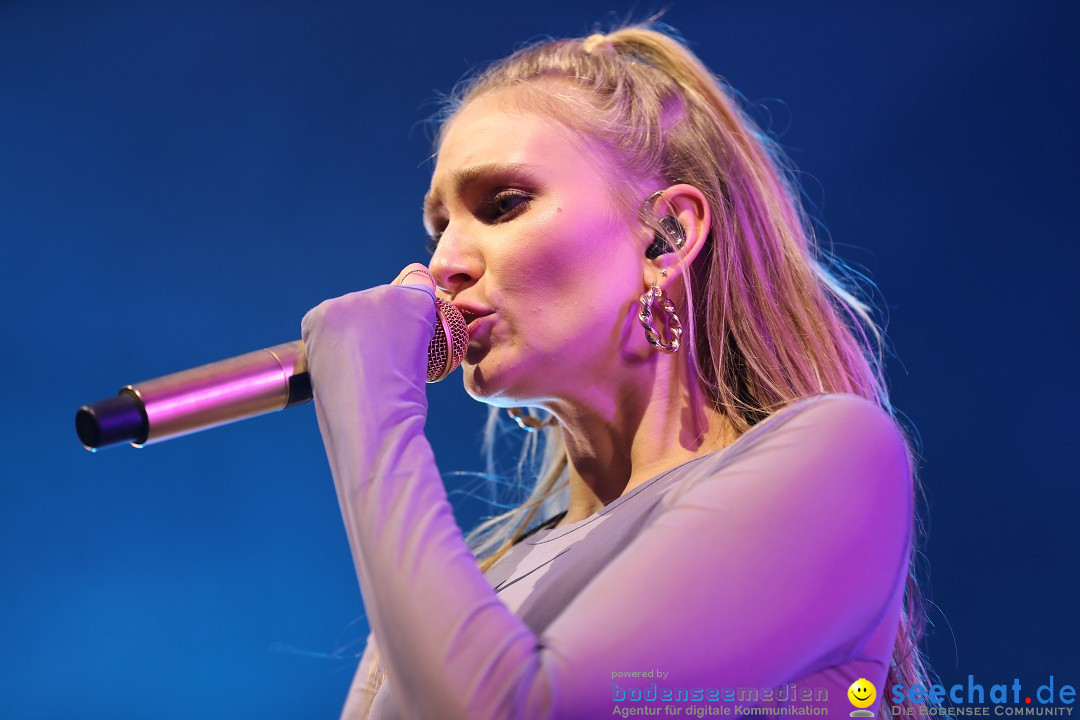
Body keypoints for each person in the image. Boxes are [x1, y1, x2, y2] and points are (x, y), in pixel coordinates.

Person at [300, 23, 939, 720]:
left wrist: (370, 409)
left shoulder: (836, 458)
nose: (442, 265)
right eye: (438, 228)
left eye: (503, 204)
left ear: (665, 239)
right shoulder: (466, 587)